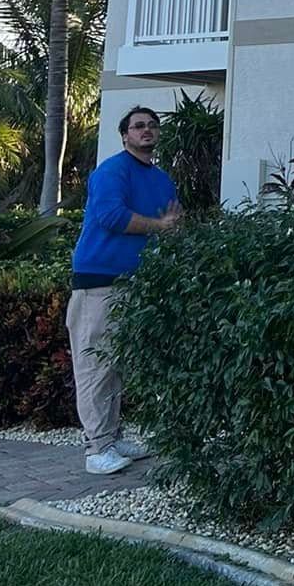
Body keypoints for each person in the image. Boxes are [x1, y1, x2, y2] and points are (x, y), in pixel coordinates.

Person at [67, 106, 182, 475]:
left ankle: (112, 438)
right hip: (98, 281)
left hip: (135, 284)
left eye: (151, 125)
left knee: (114, 366)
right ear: (124, 135)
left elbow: (172, 222)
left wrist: (171, 230)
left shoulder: (162, 179)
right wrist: (160, 227)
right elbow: (110, 216)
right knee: (94, 365)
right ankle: (96, 449)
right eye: (138, 126)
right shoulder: (111, 172)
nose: (146, 130)